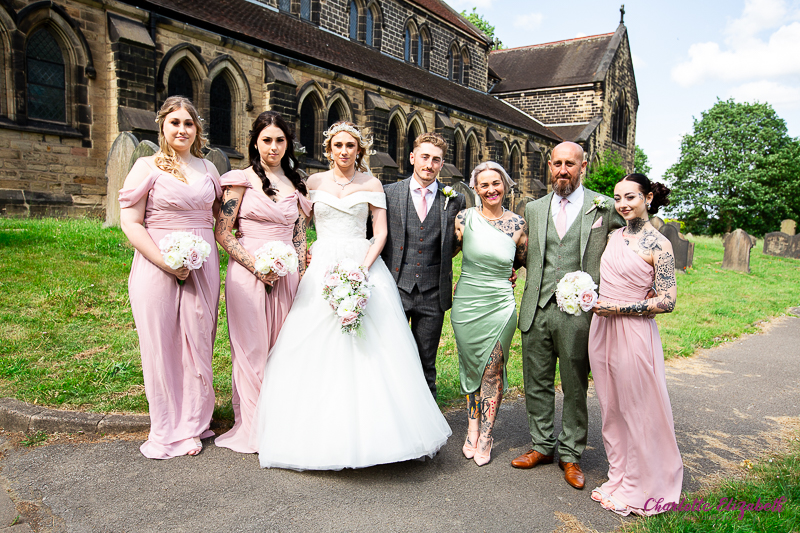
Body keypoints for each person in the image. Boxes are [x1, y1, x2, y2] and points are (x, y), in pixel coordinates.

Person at [249, 121, 451, 470]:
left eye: (351, 146)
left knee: (374, 348)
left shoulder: (372, 184)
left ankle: (386, 435)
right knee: (315, 345)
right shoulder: (312, 183)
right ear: (329, 149)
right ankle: (315, 432)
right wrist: (305, 253)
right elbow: (300, 227)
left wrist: (362, 267)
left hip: (362, 263)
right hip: (322, 265)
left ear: (360, 150)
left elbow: (382, 233)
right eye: (338, 145)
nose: (344, 151)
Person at [511, 141, 624, 489]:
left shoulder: (603, 207)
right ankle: (542, 445)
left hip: (579, 314)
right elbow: (522, 250)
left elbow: (629, 243)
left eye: (570, 164)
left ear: (583, 166)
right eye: (557, 163)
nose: (563, 170)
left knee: (575, 385)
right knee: (536, 381)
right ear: (549, 165)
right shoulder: (534, 207)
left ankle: (571, 454)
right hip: (536, 308)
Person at [118, 96, 222, 459]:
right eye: (175, 122)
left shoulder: (210, 170)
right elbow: (130, 222)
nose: (182, 129)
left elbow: (218, 220)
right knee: (161, 345)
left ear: (197, 129)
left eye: (188, 123)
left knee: (198, 341)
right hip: (155, 263)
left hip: (202, 265)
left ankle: (193, 424)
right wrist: (165, 261)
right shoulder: (147, 166)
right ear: (162, 126)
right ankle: (165, 426)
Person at [213, 111, 311, 454]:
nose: (273, 146)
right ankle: (253, 426)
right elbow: (223, 233)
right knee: (251, 350)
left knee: (281, 350)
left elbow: (299, 238)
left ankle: (279, 421)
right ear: (255, 141)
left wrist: (298, 274)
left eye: (280, 140)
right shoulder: (240, 179)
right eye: (267, 139)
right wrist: (257, 266)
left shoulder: (297, 184)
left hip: (287, 278)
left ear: (288, 144)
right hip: (247, 274)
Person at [588, 174, 683, 516]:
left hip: (633, 330)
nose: (623, 204)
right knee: (611, 407)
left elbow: (668, 301)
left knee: (637, 409)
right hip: (601, 329)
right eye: (617, 198)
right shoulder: (613, 235)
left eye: (630, 196)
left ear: (647, 198)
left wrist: (619, 308)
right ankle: (618, 475)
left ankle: (639, 485)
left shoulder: (660, 244)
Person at [451, 162, 527, 466]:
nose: (491, 190)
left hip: (499, 304)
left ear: (505, 185)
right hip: (467, 302)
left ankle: (487, 434)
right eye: (484, 185)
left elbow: (523, 260)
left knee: (493, 369)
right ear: (476, 189)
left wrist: (513, 273)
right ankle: (472, 427)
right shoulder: (463, 218)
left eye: (496, 183)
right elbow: (448, 253)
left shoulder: (519, 224)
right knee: (471, 367)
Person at [381, 133, 466, 399]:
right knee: (388, 357)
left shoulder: (455, 199)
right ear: (412, 158)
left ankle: (428, 427)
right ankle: (391, 413)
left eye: (436, 160)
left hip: (433, 293)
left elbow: (460, 242)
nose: (429, 164)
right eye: (425, 157)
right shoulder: (389, 193)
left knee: (426, 361)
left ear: (442, 164)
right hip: (394, 288)